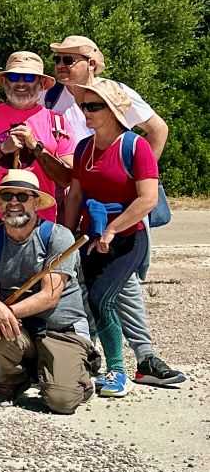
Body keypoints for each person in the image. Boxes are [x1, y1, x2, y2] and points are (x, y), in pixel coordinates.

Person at [47, 35, 181, 388]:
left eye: (69, 59)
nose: (61, 66)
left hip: (125, 218)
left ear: (91, 63)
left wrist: (136, 175)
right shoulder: (52, 99)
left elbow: (158, 129)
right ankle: (94, 357)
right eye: (57, 59)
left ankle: (140, 358)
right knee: (90, 288)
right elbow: (74, 181)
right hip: (85, 216)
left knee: (122, 289)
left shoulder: (116, 93)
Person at [61, 79, 162, 399]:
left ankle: (117, 371)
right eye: (83, 106)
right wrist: (66, 236)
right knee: (87, 301)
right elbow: (75, 193)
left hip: (129, 237)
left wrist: (113, 229)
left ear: (115, 111)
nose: (84, 111)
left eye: (93, 106)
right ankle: (90, 362)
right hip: (93, 237)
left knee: (100, 298)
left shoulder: (136, 146)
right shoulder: (83, 148)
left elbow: (147, 199)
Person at [0, 169, 92, 416]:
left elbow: (50, 296)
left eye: (22, 196)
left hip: (60, 330)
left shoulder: (57, 236)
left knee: (61, 402)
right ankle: (13, 380)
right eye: (7, 195)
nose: (13, 202)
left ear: (36, 202)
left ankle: (77, 375)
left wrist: (3, 311)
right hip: (19, 329)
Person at [0, 51, 75, 213]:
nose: (21, 83)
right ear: (5, 82)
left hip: (38, 223)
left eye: (28, 77)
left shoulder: (57, 122)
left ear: (41, 83)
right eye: (14, 77)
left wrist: (35, 147)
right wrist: (1, 149)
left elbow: (67, 178)